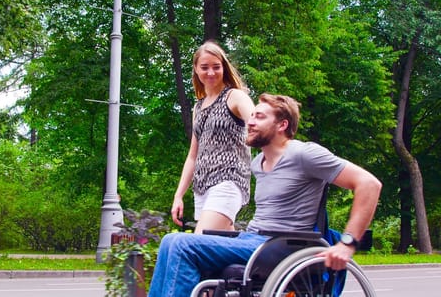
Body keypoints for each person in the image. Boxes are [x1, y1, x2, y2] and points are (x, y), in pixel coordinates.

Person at [148, 93, 382, 297]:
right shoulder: (258, 163)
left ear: (282, 125)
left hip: (278, 246)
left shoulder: (304, 153)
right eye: (251, 116)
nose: (250, 122)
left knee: (179, 243)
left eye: (259, 117)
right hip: (253, 239)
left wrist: (347, 243)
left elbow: (369, 184)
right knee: (171, 241)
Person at [172, 40, 255, 234]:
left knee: (197, 244)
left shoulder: (235, 97)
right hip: (202, 188)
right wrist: (179, 195)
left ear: (224, 68)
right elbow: (193, 156)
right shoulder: (198, 107)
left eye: (216, 67)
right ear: (196, 69)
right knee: (220, 250)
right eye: (204, 67)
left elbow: (255, 121)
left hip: (228, 181)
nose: (210, 72)